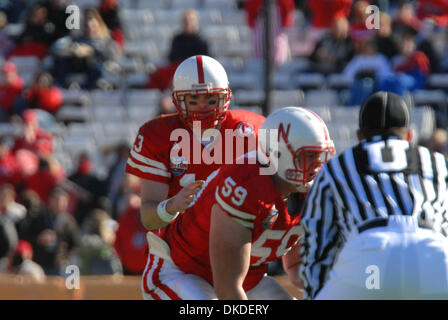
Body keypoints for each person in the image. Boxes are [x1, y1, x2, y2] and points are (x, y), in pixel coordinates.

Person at [140, 107, 335, 299]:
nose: (318, 164)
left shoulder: (313, 192)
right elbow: (228, 291)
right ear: (277, 153)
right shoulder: (246, 186)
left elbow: (297, 265)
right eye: (309, 155)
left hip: (248, 282)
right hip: (181, 271)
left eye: (320, 155)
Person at [299, 91, 448, 299]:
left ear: (359, 136)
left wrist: (315, 293)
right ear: (409, 135)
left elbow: (317, 241)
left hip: (371, 256)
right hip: (433, 251)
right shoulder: (436, 162)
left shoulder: (338, 166)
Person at [125, 55, 266, 233]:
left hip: (236, 240)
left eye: (211, 100)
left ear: (226, 97)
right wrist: (172, 206)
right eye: (193, 100)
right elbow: (149, 219)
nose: (203, 108)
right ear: (178, 100)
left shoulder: (251, 130)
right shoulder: (157, 135)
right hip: (176, 247)